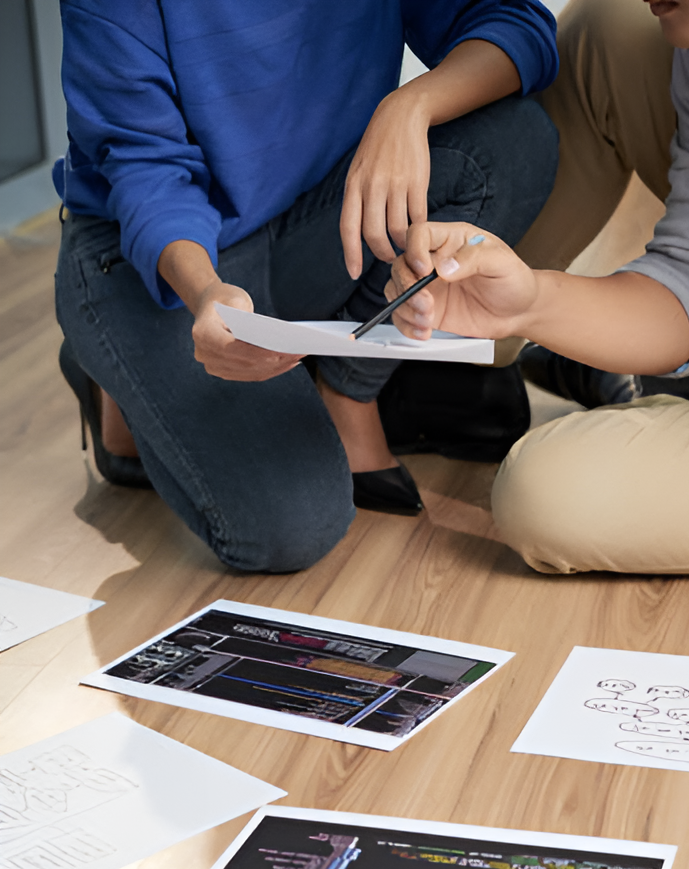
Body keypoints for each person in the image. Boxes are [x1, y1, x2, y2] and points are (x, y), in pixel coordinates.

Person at [54, 1, 559, 570]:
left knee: (514, 143)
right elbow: (148, 170)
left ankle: (348, 393)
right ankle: (113, 365)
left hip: (306, 211)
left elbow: (515, 24)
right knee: (293, 526)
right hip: (161, 251)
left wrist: (409, 106)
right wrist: (203, 295)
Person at [387, 0, 689, 576]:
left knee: (545, 494)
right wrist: (530, 302)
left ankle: (678, 397)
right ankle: (467, 370)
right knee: (605, 30)